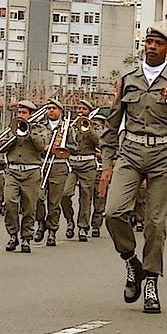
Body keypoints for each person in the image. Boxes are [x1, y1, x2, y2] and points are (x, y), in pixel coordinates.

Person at [99, 26, 167, 314]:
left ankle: (151, 283)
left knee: (155, 224)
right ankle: (132, 261)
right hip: (130, 152)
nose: (152, 47)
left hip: (163, 155)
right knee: (113, 212)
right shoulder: (127, 80)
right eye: (148, 42)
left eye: (158, 43)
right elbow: (111, 125)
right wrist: (107, 165)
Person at [1, 101, 47, 253]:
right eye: (19, 112)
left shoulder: (40, 129)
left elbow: (41, 146)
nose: (20, 115)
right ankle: (12, 235)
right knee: (9, 202)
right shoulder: (11, 128)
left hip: (31, 172)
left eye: (24, 113)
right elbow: (0, 147)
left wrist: (29, 131)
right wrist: (12, 135)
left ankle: (26, 237)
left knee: (29, 207)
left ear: (31, 114)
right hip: (12, 171)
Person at [36, 98, 74, 246]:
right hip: (42, 165)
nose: (50, 110)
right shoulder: (39, 127)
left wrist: (63, 146)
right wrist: (44, 147)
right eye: (48, 108)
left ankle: (52, 231)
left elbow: (75, 147)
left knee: (54, 202)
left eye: (54, 108)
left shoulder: (67, 128)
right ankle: (41, 223)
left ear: (60, 111)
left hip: (59, 166)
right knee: (38, 198)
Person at [61, 100, 100, 242]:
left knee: (85, 196)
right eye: (78, 108)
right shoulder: (70, 125)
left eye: (83, 109)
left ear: (89, 111)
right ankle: (70, 221)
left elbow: (100, 143)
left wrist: (89, 130)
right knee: (65, 194)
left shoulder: (94, 126)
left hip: (88, 163)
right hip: (72, 163)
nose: (80, 111)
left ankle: (83, 226)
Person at [90, 113, 107, 237]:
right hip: (89, 169)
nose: (98, 124)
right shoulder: (88, 133)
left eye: (100, 122)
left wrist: (99, 155)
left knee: (99, 199)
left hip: (102, 171)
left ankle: (96, 225)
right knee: (85, 199)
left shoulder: (107, 136)